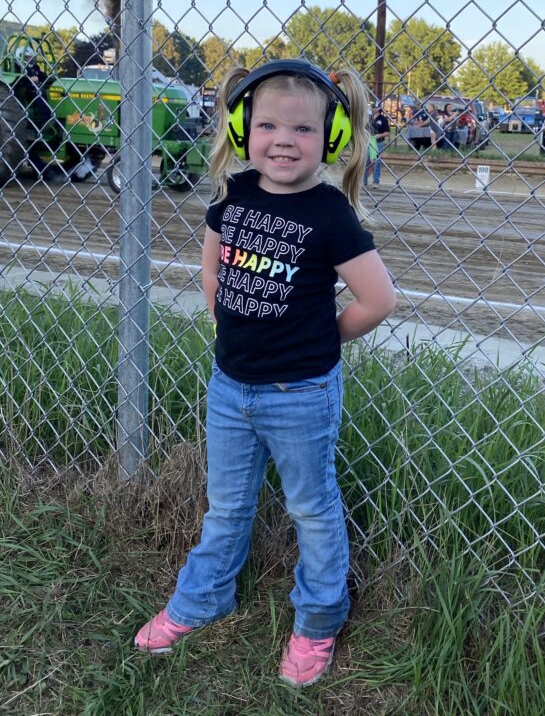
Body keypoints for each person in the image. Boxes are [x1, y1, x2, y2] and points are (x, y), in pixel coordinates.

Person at [134, 59, 396, 688]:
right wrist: (224, 317)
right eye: (269, 125)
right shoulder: (233, 195)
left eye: (304, 129)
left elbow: (378, 299)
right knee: (225, 506)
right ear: (241, 130)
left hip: (300, 393)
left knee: (311, 508)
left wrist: (322, 338)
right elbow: (211, 269)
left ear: (331, 137)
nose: (284, 140)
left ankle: (318, 620)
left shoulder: (329, 213)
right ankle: (204, 598)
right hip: (230, 388)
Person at [363, 105, 390, 187]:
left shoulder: (383, 119)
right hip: (368, 141)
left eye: (374, 107)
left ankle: (376, 181)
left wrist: (379, 135)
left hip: (378, 143)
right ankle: (364, 181)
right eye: (372, 107)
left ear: (378, 109)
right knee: (366, 161)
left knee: (377, 162)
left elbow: (387, 132)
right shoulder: (368, 118)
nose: (372, 108)